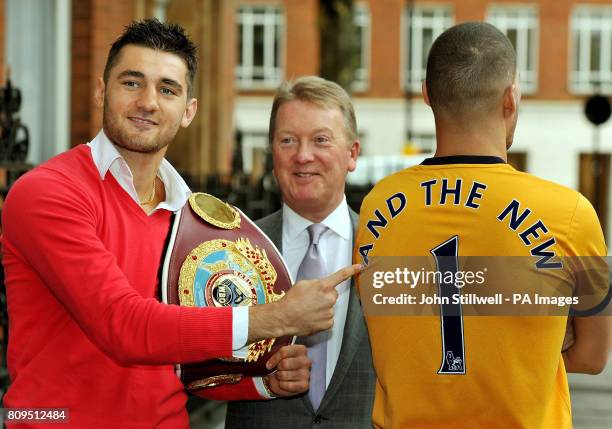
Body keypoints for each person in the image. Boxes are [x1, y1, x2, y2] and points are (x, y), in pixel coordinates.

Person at [1, 19, 360, 428]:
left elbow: (184, 359)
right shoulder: (47, 192)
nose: (149, 102)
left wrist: (263, 383)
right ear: (102, 91)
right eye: (131, 83)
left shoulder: (191, 216)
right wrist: (276, 316)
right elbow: (125, 326)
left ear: (188, 111)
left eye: (167, 89)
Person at [355, 22, 611, 429]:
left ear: (426, 94)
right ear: (510, 99)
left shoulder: (376, 207)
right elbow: (594, 357)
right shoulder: (570, 212)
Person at [226, 76, 375, 428]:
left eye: (321, 140)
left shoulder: (385, 249)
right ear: (272, 153)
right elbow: (196, 370)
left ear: (352, 154)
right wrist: (259, 380)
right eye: (288, 140)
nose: (303, 155)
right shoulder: (232, 251)